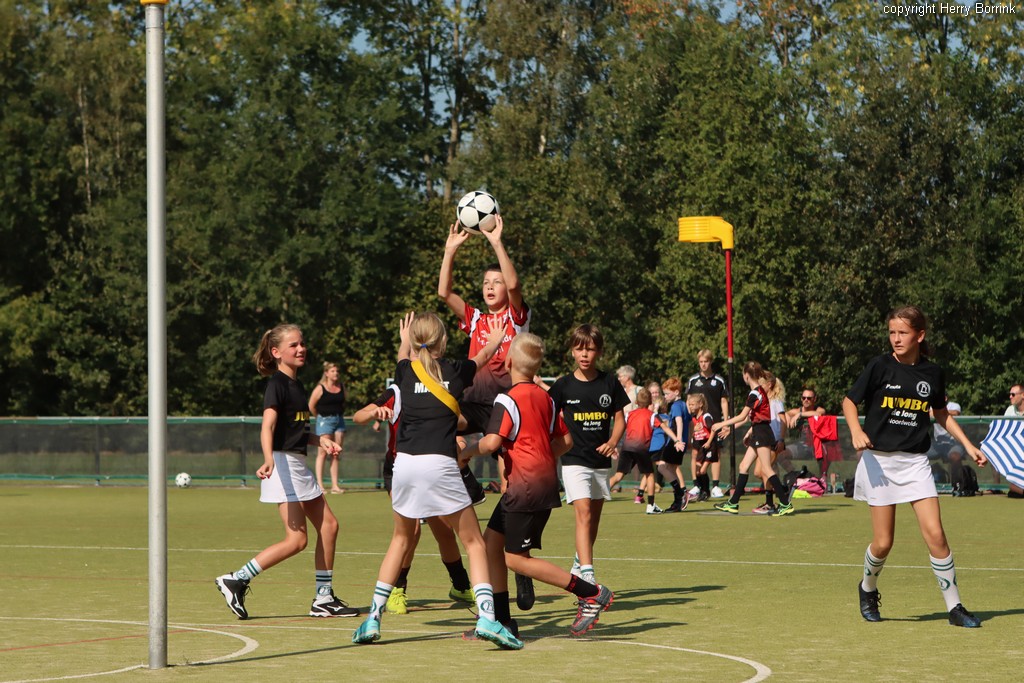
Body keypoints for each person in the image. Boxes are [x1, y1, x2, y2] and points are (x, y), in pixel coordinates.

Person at [350, 311, 523, 649]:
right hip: (439, 463)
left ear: (415, 342)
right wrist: (495, 340)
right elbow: (482, 357)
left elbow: (404, 360)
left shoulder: (404, 371)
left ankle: (372, 618)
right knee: (474, 543)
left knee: (400, 540)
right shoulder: (455, 371)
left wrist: (404, 343)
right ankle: (488, 618)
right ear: (443, 341)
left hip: (404, 465)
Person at [461, 333, 615, 637]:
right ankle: (503, 621)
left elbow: (491, 442)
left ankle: (591, 593)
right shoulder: (546, 399)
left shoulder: (507, 399)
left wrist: (464, 454)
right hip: (536, 483)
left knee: (516, 560)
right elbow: (566, 441)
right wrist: (541, 458)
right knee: (491, 544)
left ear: (507, 362)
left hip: (525, 487)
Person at [843, 305, 987, 628]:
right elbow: (849, 401)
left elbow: (941, 414)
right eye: (892, 332)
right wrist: (855, 430)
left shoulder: (932, 373)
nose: (896, 338)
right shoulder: (879, 366)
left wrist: (968, 445)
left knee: (936, 534)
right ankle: (867, 588)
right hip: (879, 464)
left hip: (915, 464)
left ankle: (954, 608)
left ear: (919, 336)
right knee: (883, 543)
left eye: (903, 333)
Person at [214, 324, 359, 620]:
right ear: (276, 352)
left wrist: (320, 440)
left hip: (296, 464)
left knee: (326, 528)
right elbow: (267, 426)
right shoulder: (277, 385)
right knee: (299, 539)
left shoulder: (298, 385)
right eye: (293, 345)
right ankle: (237, 579)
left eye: (302, 343)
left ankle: (322, 597)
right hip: (283, 466)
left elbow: (296, 431)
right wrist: (268, 458)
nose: (301, 349)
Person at [438, 215, 535, 606]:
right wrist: (450, 250)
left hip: (506, 405)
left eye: (495, 282)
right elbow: (444, 292)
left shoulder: (515, 317)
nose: (491, 287)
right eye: (485, 283)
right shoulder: (476, 319)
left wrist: (496, 240)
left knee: (511, 489)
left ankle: (522, 566)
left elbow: (515, 285)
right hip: (474, 403)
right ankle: (469, 479)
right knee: (439, 428)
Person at [351, 355, 476, 615]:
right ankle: (397, 589)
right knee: (412, 531)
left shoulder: (440, 386)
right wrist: (373, 412)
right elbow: (358, 416)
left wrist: (458, 438)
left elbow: (458, 422)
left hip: (431, 467)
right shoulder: (398, 391)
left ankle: (460, 585)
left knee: (444, 530)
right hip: (401, 468)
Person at [547, 324, 629, 586]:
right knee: (583, 513)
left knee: (592, 519)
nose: (584, 354)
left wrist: (612, 442)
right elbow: (546, 416)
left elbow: (620, 419)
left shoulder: (609, 382)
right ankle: (589, 575)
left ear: (599, 352)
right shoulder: (562, 386)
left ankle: (578, 563)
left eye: (590, 349)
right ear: (572, 351)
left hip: (600, 462)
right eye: (579, 349)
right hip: (573, 461)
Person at [712, 361, 795, 516]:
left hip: (762, 433)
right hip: (759, 432)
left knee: (766, 469)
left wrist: (721, 424)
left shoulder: (755, 393)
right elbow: (751, 417)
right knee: (743, 466)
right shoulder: (760, 392)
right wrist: (745, 432)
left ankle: (785, 503)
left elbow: (742, 416)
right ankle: (733, 503)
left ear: (746, 375)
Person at [686, 349, 730, 498]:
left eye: (706, 361)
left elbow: (724, 401)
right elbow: (688, 401)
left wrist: (725, 422)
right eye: (701, 362)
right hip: (698, 425)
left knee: (715, 454)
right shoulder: (693, 380)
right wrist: (692, 421)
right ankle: (696, 485)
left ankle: (715, 486)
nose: (703, 364)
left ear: (710, 362)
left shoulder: (719, 380)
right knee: (695, 453)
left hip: (714, 425)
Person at [608, 387, 658, 513]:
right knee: (650, 475)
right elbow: (664, 427)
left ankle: (596, 496)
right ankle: (651, 505)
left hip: (627, 448)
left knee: (618, 476)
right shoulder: (651, 415)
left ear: (636, 401)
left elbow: (620, 429)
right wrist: (676, 440)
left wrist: (613, 445)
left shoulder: (629, 414)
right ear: (650, 402)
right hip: (641, 449)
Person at [308, 361, 347, 494]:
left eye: (337, 371)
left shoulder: (342, 386)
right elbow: (311, 405)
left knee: (336, 452)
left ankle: (335, 486)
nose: (336, 373)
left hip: (339, 420)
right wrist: (320, 418)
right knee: (323, 452)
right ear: (326, 373)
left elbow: (344, 402)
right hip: (324, 421)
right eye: (332, 371)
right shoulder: (320, 388)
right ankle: (320, 485)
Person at [751, 373, 788, 514]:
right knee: (758, 472)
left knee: (764, 470)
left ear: (769, 384)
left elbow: (783, 421)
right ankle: (781, 488)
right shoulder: (763, 400)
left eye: (761, 383)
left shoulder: (776, 401)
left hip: (773, 440)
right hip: (764, 439)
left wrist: (781, 439)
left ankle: (770, 503)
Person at [656, 377, 691, 512]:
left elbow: (679, 422)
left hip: (674, 442)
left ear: (676, 392)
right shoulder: (683, 405)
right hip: (679, 441)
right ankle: (679, 498)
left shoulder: (676, 406)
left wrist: (678, 440)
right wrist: (687, 440)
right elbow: (690, 423)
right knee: (670, 468)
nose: (665, 396)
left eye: (667, 394)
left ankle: (680, 494)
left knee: (662, 467)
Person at [686, 392, 717, 501]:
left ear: (700, 404)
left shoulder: (706, 416)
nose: (690, 407)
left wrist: (708, 442)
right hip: (701, 447)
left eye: (692, 404)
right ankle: (702, 490)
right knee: (698, 471)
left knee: (702, 471)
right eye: (689, 405)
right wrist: (693, 432)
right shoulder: (694, 418)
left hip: (710, 446)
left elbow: (713, 429)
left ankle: (706, 491)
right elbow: (694, 432)